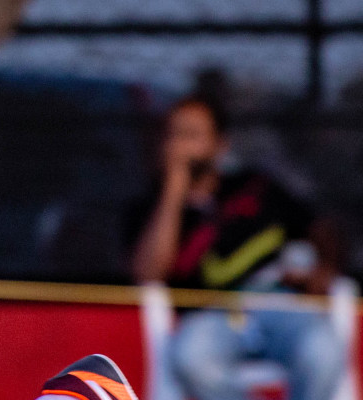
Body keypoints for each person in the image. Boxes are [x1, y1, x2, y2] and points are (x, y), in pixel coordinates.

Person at [128, 92, 345, 400]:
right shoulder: (149, 207)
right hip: (210, 315)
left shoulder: (255, 186)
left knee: (323, 352)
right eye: (173, 134)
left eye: (191, 135)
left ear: (220, 144)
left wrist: (323, 269)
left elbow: (321, 228)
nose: (180, 145)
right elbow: (148, 275)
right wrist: (175, 187)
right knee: (192, 359)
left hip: (280, 302)